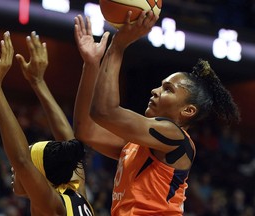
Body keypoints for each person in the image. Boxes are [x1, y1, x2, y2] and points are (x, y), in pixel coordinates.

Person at [73, 11, 240, 215]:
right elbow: (85, 130)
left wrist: (118, 46)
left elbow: (104, 112)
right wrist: (91, 65)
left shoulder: (176, 137)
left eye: (168, 89)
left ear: (188, 110)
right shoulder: (135, 145)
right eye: (161, 86)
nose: (155, 90)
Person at [0, 31, 94, 216]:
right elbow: (69, 142)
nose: (14, 168)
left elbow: (20, 160)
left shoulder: (52, 206)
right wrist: (38, 82)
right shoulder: (76, 195)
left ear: (41, 178)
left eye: (31, 162)